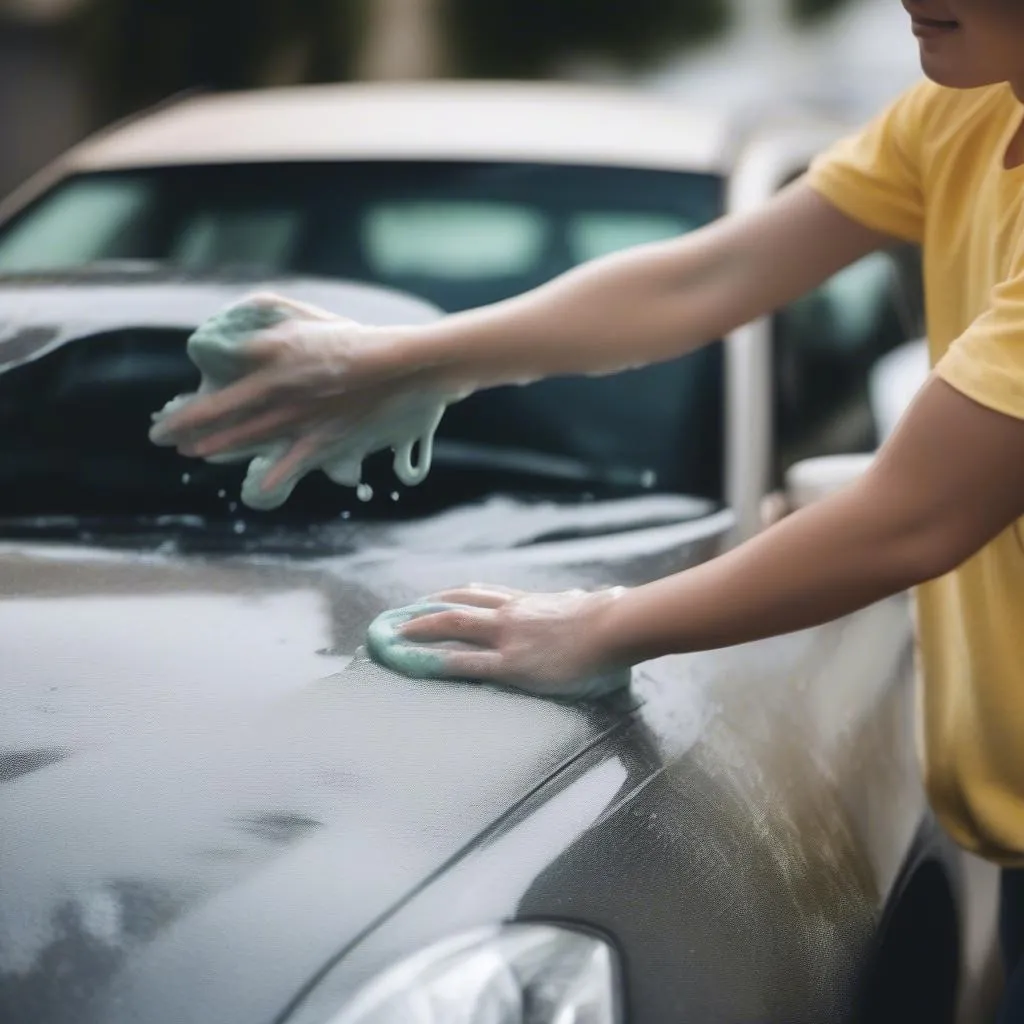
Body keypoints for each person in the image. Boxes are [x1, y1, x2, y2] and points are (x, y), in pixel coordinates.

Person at [152, 1, 1024, 1017]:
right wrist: (403, 360)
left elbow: (912, 516)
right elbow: (709, 275)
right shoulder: (960, 116)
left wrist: (602, 624)